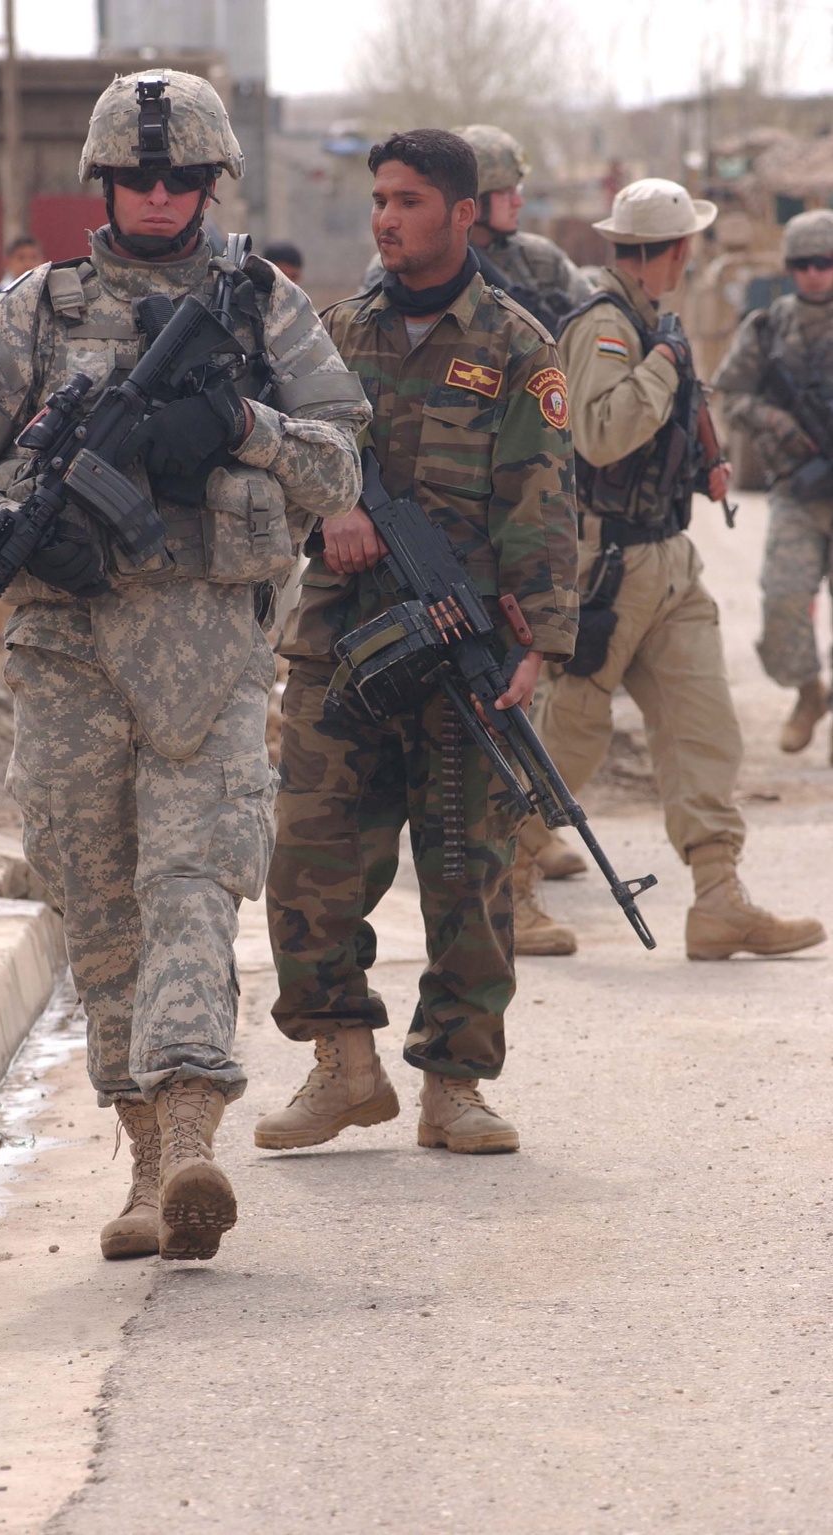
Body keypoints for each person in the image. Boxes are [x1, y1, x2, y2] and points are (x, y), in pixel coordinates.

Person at [0, 70, 369, 1262]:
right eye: (136, 177)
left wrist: (242, 425)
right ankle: (143, 1153)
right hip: (64, 654)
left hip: (210, 657)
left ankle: (189, 1128)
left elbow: (339, 467)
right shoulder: (36, 310)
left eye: (180, 178)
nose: (158, 197)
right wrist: (11, 525)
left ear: (211, 185)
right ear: (101, 184)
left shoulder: (263, 308)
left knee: (192, 883)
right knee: (93, 899)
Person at [256, 129, 578, 1156]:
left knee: (466, 870)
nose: (386, 218)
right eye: (378, 200)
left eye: (407, 200)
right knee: (308, 861)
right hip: (338, 646)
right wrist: (330, 508)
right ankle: (342, 1065)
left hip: (458, 648)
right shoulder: (326, 336)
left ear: (462, 212)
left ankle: (454, 1082)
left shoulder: (518, 346)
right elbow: (273, 463)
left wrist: (540, 646)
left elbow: (543, 510)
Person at [515, 178, 826, 962]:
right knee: (573, 730)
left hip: (667, 554)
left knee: (702, 724)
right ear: (678, 250)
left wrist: (700, 463)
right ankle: (505, 882)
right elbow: (600, 434)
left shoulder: (651, 323)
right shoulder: (610, 328)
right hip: (608, 564)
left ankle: (719, 897)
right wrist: (661, 366)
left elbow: (652, 441)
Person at [713, 209, 833, 758]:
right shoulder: (768, 328)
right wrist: (776, 421)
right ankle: (810, 693)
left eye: (825, 263)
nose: (815, 274)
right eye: (804, 264)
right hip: (798, 490)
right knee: (783, 599)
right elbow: (729, 395)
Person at [358, 124, 591, 332]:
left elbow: (594, 313)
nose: (518, 203)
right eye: (507, 193)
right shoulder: (398, 266)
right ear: (474, 203)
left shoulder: (538, 257)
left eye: (517, 192)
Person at [0, 233, 43, 321]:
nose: (28, 264)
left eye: (34, 258)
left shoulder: (47, 295)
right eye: (21, 258)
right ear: (7, 262)